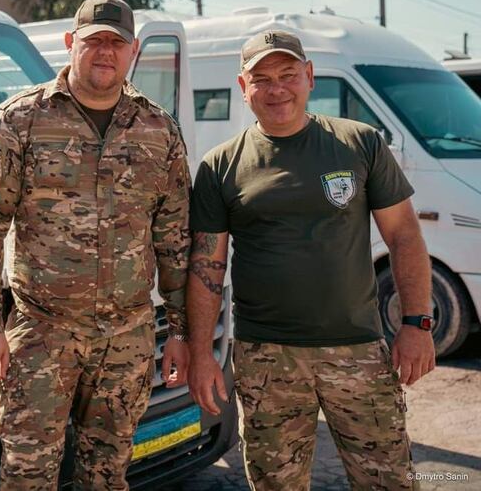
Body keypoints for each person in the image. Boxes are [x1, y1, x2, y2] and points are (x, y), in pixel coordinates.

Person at [185, 29, 434, 490]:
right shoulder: (220, 165)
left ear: (310, 77)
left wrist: (416, 324)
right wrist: (202, 354)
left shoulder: (360, 143)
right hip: (266, 359)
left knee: (388, 481)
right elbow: (207, 269)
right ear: (243, 87)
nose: (276, 88)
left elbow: (403, 235)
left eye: (287, 74)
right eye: (261, 78)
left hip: (357, 350)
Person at [0, 0, 191, 490]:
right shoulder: (19, 121)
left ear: (132, 52)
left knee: (108, 475)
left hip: (126, 336)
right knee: (28, 475)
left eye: (116, 43)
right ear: (71, 44)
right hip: (42, 331)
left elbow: (174, 237)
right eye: (93, 42)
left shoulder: (159, 131)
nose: (105, 53)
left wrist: (178, 331)